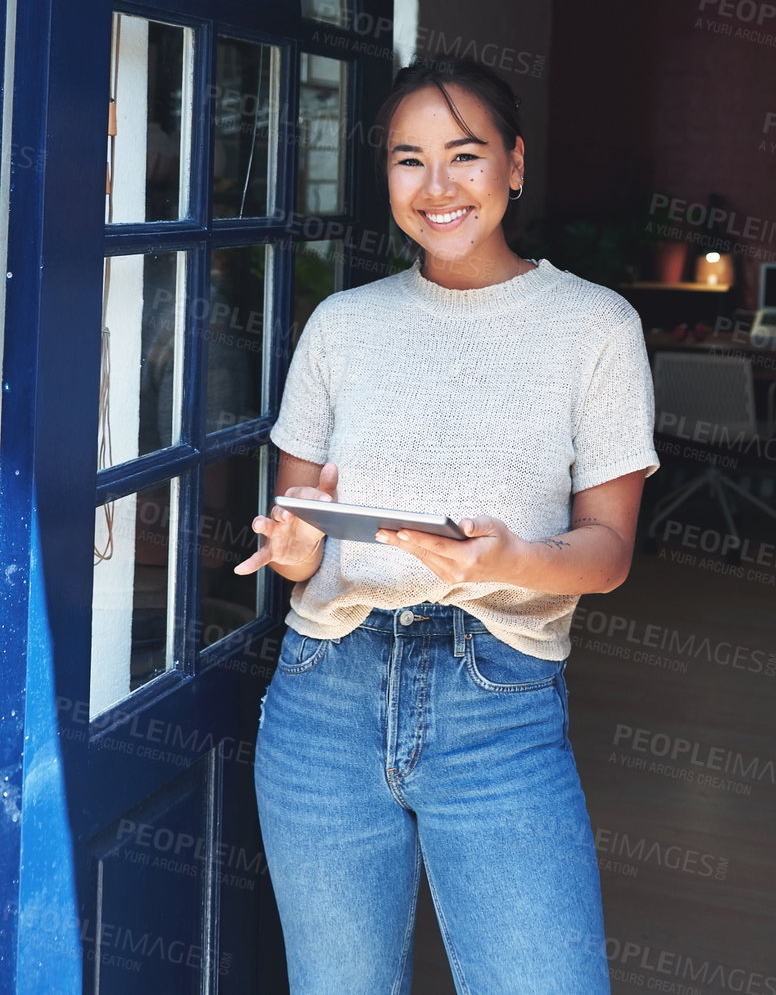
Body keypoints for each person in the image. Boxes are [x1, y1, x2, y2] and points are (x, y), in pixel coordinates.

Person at [237, 56, 659, 994]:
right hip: (323, 696)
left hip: (497, 700)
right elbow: (300, 524)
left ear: (514, 163)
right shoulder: (341, 326)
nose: (436, 189)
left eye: (463, 157)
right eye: (407, 160)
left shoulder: (594, 328)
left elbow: (609, 552)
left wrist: (514, 558)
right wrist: (296, 549)